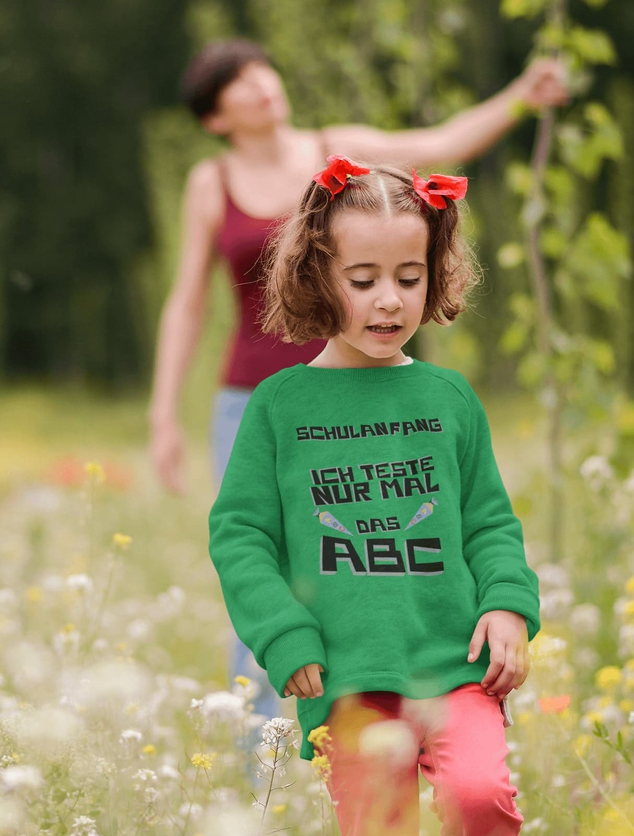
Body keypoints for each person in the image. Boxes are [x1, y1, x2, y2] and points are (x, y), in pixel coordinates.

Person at [150, 36, 564, 723]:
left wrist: (522, 94)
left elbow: (443, 140)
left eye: (261, 67)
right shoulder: (210, 183)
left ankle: (396, 720)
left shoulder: (336, 155)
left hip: (369, 395)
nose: (260, 84)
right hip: (255, 399)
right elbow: (187, 300)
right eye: (236, 82)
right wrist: (163, 413)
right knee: (262, 572)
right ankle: (268, 767)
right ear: (214, 117)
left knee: (374, 557)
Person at [208, 155, 541, 836]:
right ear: (319, 275)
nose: (390, 299)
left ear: (436, 274)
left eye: (409, 274)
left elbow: (492, 522)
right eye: (363, 278)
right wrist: (283, 634)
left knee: (480, 797)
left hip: (454, 665)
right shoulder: (281, 407)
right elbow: (240, 534)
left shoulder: (449, 398)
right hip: (351, 681)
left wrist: (506, 604)